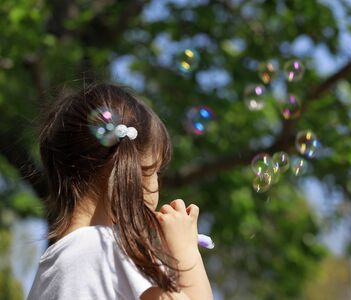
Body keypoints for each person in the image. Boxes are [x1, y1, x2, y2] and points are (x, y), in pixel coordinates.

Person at [27, 83, 213, 300]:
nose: (158, 186)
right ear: (130, 166)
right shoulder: (112, 250)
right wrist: (186, 250)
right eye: (156, 172)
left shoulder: (49, 267)